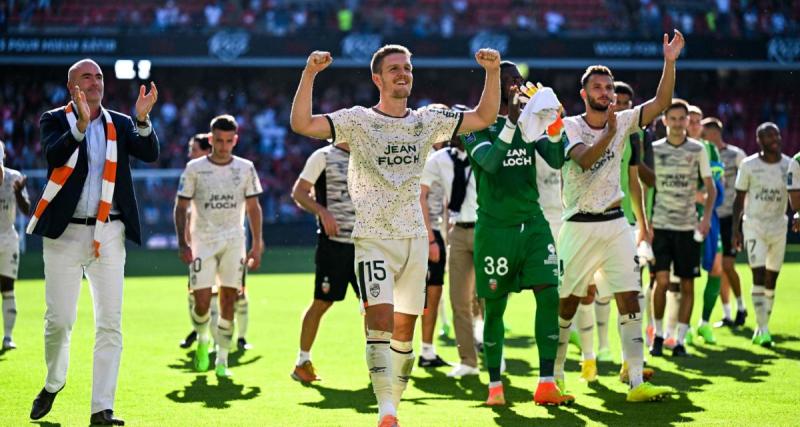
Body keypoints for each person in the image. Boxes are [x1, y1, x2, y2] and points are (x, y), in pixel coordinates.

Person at [290, 45, 501, 427]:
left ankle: (394, 402)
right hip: (372, 239)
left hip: (415, 241)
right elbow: (302, 124)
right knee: (380, 320)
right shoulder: (357, 120)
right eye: (393, 69)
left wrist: (493, 72)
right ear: (377, 79)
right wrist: (309, 74)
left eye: (407, 68)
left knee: (406, 331)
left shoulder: (428, 119)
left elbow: (485, 116)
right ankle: (386, 411)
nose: (403, 74)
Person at [555, 30, 684, 403]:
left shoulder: (625, 119)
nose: (606, 92)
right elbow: (584, 159)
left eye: (609, 87)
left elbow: (661, 102)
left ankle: (636, 382)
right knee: (566, 302)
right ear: (584, 94)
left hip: (614, 223)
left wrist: (669, 61)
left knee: (630, 297)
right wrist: (609, 133)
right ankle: (558, 376)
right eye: (598, 87)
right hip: (578, 225)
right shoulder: (569, 127)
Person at [28, 58, 159, 425]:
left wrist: (144, 120)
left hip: (109, 232)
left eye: (99, 76)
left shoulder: (120, 122)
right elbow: (54, 155)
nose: (96, 81)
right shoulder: (54, 119)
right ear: (73, 85)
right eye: (88, 76)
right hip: (64, 234)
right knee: (59, 321)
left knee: (110, 324)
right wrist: (81, 127)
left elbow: (150, 153)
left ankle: (102, 409)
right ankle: (54, 382)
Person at [461, 61, 570, 406]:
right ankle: (495, 386)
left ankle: (547, 382)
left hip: (534, 225)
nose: (515, 88)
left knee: (549, 295)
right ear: (491, 86)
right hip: (495, 231)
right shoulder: (473, 125)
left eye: (519, 82)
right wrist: (509, 123)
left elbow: (555, 159)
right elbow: (491, 164)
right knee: (494, 310)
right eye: (508, 82)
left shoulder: (529, 122)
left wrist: (553, 123)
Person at [174, 114, 264, 378]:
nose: (223, 146)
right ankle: (202, 338)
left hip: (234, 241)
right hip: (202, 241)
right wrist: (182, 242)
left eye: (228, 141)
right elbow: (180, 207)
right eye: (219, 141)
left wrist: (257, 244)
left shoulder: (246, 168)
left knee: (228, 299)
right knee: (201, 303)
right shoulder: (194, 169)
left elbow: (253, 207)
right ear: (211, 139)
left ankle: (222, 359)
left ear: (235, 140)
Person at [649, 100, 717, 358]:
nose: (678, 123)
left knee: (687, 285)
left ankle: (679, 340)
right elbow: (645, 188)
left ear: (688, 121)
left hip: (688, 227)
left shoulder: (698, 149)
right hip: (662, 226)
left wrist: (706, 219)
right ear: (664, 120)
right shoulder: (654, 149)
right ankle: (657, 336)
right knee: (662, 281)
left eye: (682, 119)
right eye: (673, 118)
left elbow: (710, 189)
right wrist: (647, 222)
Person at [420, 104, 482, 377]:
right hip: (457, 232)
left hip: (488, 229)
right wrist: (432, 235)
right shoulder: (439, 159)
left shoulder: (485, 152)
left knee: (489, 297)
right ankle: (468, 361)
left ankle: (493, 354)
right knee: (458, 299)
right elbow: (420, 193)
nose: (458, 130)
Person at [290, 141, 359, 382]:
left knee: (374, 307)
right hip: (335, 246)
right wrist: (322, 211)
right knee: (321, 303)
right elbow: (299, 192)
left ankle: (379, 368)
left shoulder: (370, 151)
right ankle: (302, 362)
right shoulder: (323, 156)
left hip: (367, 245)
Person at [733, 122, 800, 348]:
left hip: (778, 226)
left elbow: (794, 195)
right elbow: (739, 199)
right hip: (754, 225)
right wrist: (735, 231)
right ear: (759, 140)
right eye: (769, 136)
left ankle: (764, 323)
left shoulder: (789, 164)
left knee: (772, 279)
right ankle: (762, 329)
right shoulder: (749, 165)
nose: (775, 138)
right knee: (758, 275)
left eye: (777, 134)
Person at [703, 118, 747, 328]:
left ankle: (741, 307)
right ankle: (728, 313)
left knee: (728, 265)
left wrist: (744, 213)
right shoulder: (702, 153)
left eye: (705, 132)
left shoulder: (736, 154)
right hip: (712, 216)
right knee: (718, 268)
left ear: (714, 132)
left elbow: (748, 182)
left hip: (730, 217)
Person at [417, 103, 452, 369]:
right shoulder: (427, 155)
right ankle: (416, 349)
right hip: (423, 233)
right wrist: (430, 238)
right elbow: (421, 197)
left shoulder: (442, 154)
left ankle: (427, 351)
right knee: (426, 293)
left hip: (434, 230)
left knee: (433, 292)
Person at [0, 140, 31, 350]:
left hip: (8, 237)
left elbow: (26, 209)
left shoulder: (14, 178)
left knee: (7, 288)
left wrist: (19, 193)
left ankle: (8, 336)